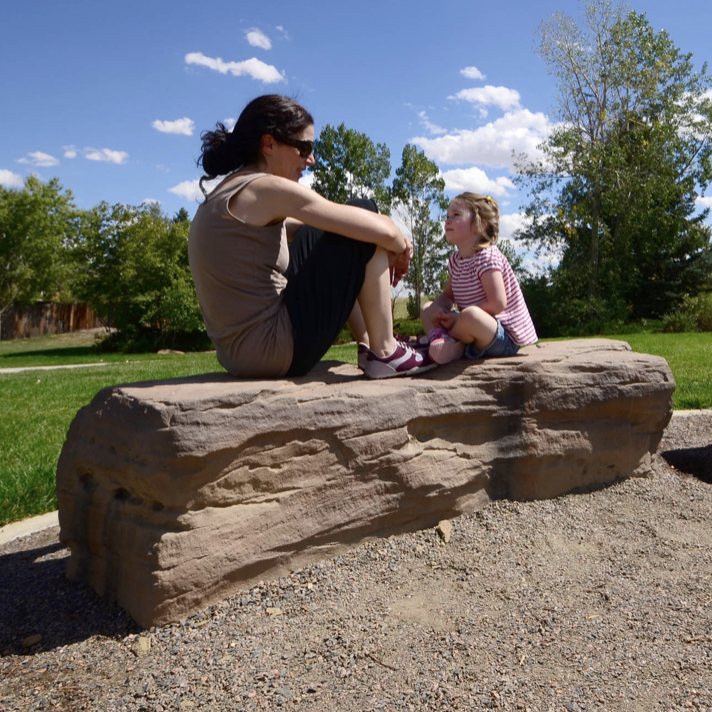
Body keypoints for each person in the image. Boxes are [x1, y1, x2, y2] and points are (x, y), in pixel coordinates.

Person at [188, 94, 436, 379]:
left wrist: (379, 242)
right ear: (268, 144)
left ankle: (369, 342)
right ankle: (385, 350)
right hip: (273, 350)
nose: (311, 159)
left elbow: (316, 229)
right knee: (363, 211)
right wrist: (399, 251)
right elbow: (384, 230)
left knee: (347, 226)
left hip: (243, 354)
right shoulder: (265, 189)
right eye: (303, 147)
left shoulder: (230, 191)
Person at [420, 192, 537, 364]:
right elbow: (448, 296)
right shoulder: (456, 260)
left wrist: (457, 318)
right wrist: (438, 309)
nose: (447, 220)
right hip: (470, 330)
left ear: (479, 225)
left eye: (456, 215)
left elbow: (497, 304)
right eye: (447, 216)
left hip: (501, 336)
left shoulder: (487, 257)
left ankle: (444, 341)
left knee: (471, 315)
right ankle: (443, 342)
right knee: (427, 307)